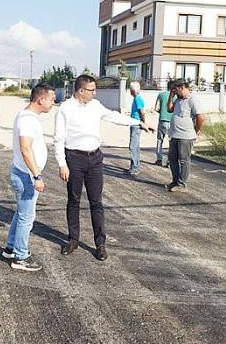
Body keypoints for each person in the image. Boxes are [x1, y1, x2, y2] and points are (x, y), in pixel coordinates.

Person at [55, 75, 153, 261]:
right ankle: (73, 239)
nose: (95, 92)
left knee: (96, 202)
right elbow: (58, 138)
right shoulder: (66, 108)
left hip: (95, 158)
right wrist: (62, 164)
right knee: (73, 200)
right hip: (74, 158)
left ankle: (100, 243)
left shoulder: (95, 105)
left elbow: (114, 116)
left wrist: (139, 123)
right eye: (92, 90)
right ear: (81, 91)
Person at [2, 83, 56, 272]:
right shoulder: (28, 119)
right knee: (27, 217)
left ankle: (10, 248)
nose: (53, 102)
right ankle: (20, 257)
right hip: (26, 176)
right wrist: (37, 176)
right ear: (41, 100)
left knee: (21, 213)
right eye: (51, 99)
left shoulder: (27, 116)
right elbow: (25, 149)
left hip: (23, 173)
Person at [165, 80, 204, 192]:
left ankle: (182, 184)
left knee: (184, 160)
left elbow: (200, 118)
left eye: (175, 90)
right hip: (174, 134)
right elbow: (169, 109)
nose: (175, 93)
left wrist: (196, 131)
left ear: (181, 87)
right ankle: (175, 181)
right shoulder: (178, 99)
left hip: (186, 136)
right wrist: (171, 96)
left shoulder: (192, 99)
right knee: (172, 159)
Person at [154, 80, 174, 167]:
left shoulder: (161, 95)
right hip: (172, 121)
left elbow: (156, 108)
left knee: (160, 140)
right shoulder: (176, 96)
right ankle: (169, 161)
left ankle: (159, 159)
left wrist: (161, 111)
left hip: (162, 120)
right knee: (171, 142)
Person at [128, 81, 145, 176]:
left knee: (133, 146)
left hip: (136, 124)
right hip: (135, 123)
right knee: (135, 146)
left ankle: (135, 167)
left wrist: (143, 122)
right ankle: (134, 165)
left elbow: (141, 112)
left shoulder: (137, 99)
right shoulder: (137, 98)